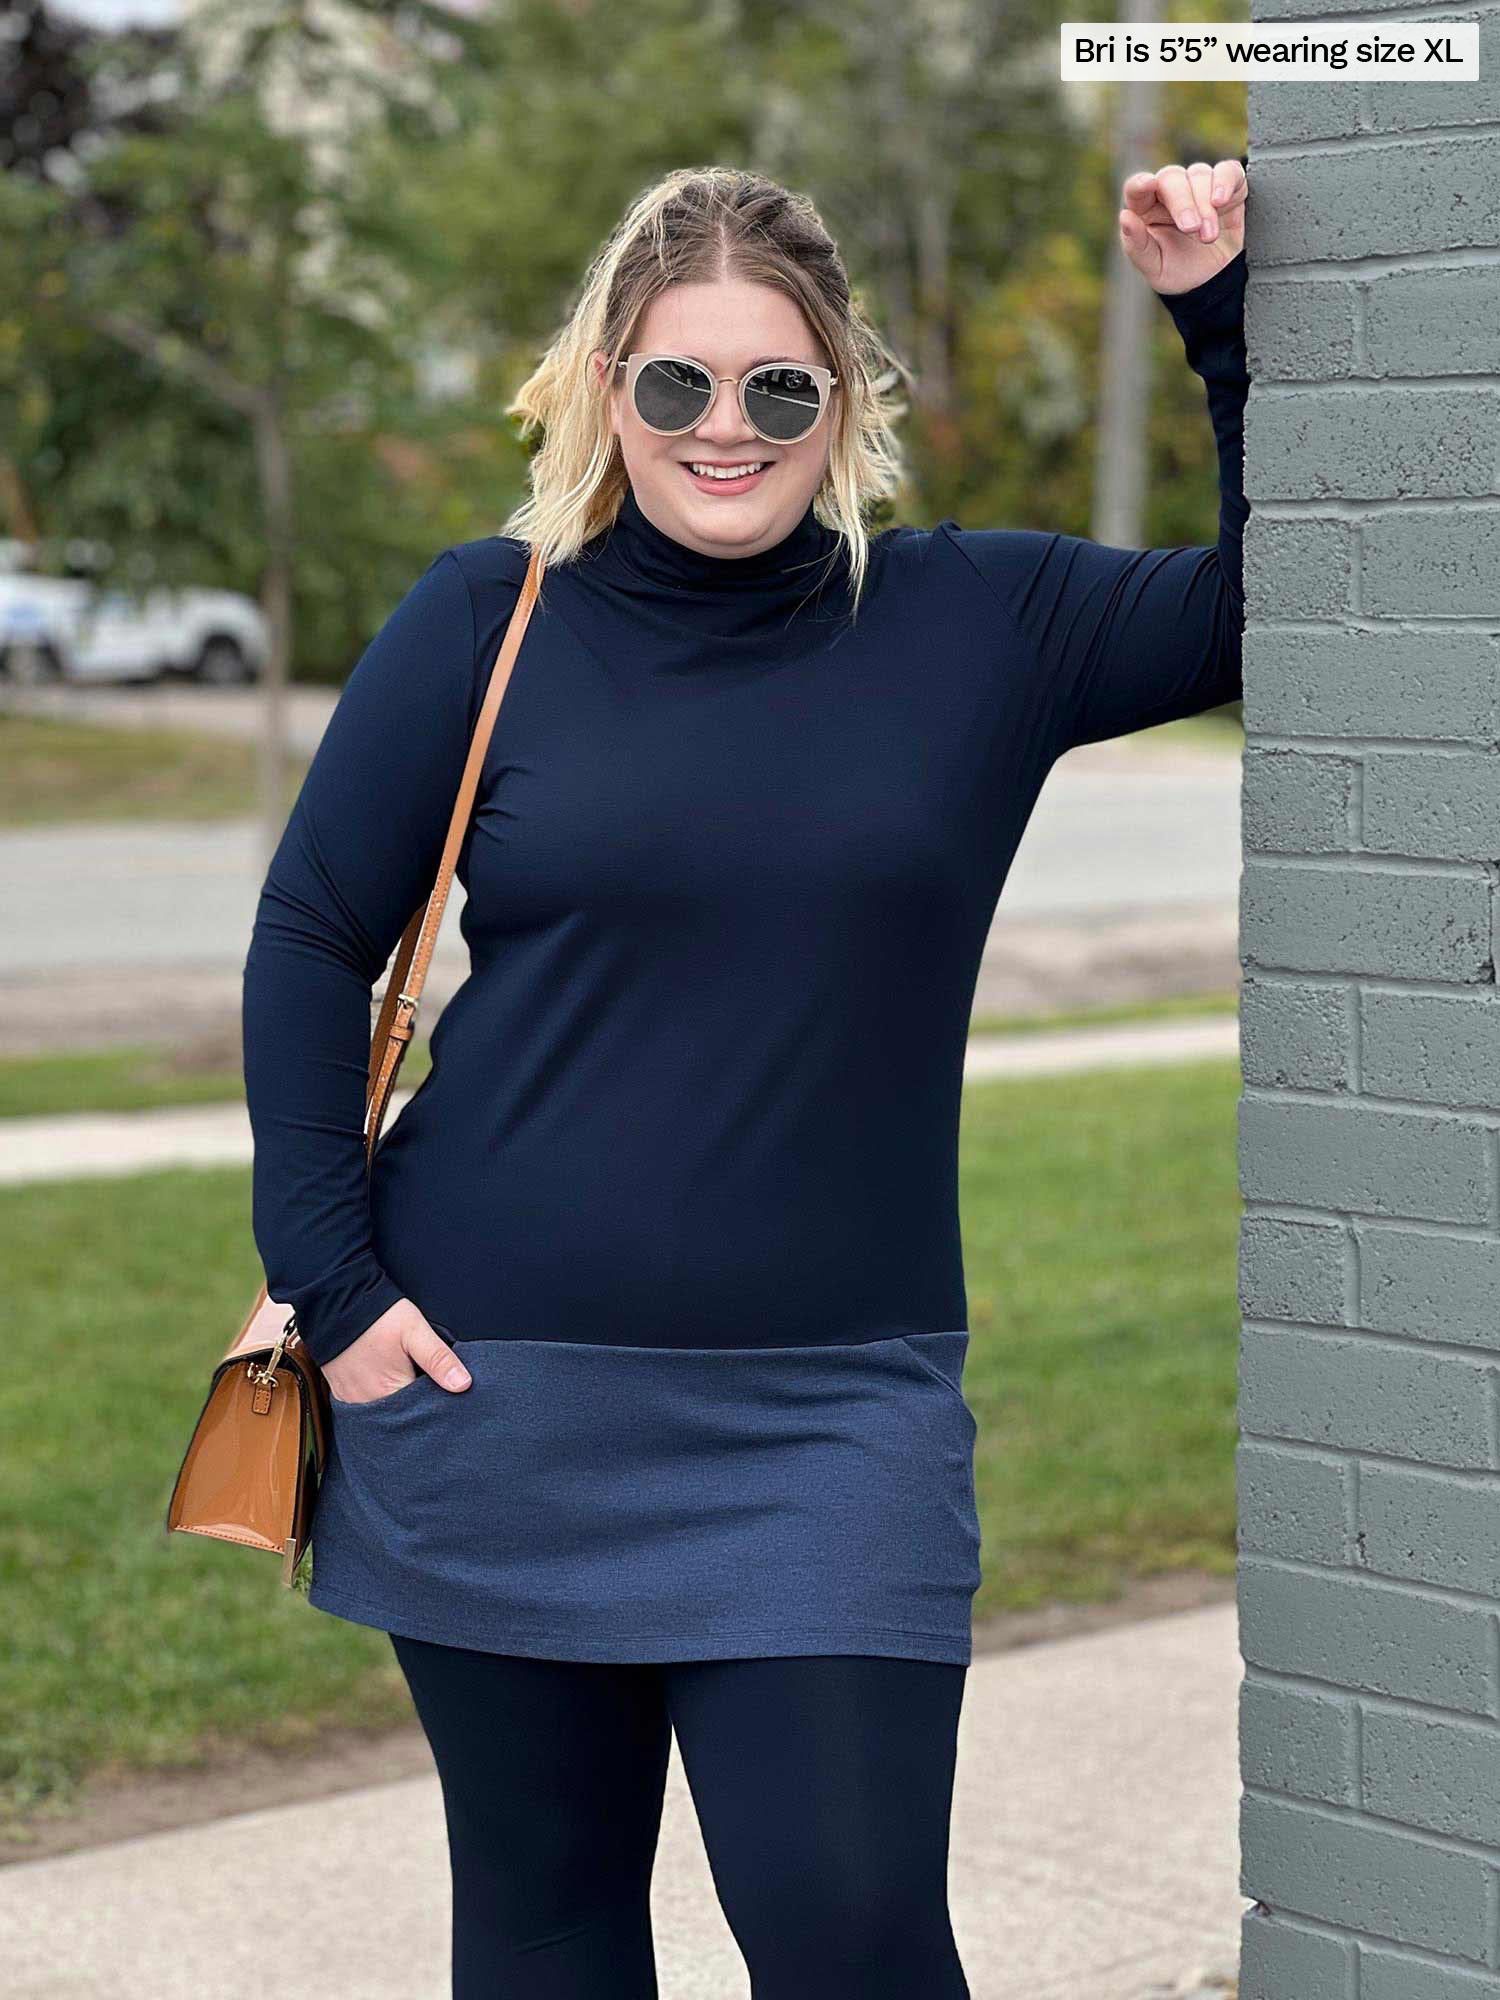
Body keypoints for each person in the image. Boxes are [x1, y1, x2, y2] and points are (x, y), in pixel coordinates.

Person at [242, 159, 1249, 1999]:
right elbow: (314, 933)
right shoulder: (487, 620)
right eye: (677, 381)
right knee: (547, 1934)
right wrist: (336, 1284)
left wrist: (1219, 315)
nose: (726, 427)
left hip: (834, 1420)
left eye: (778, 385)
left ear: (842, 398)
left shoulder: (980, 623)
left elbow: (1282, 601)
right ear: (604, 388)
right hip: (494, 1389)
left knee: (853, 1931)